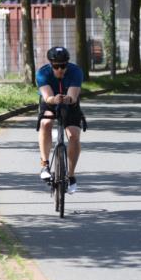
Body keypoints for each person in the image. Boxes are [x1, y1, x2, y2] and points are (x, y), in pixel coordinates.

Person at [37, 46, 87, 193]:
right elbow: (47, 97)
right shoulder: (42, 73)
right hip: (51, 101)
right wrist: (54, 99)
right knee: (46, 123)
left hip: (69, 102)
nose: (60, 69)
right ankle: (45, 164)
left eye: (63, 66)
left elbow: (73, 96)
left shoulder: (76, 71)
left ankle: (71, 175)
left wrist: (68, 98)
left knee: (73, 135)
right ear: (51, 64)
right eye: (56, 66)